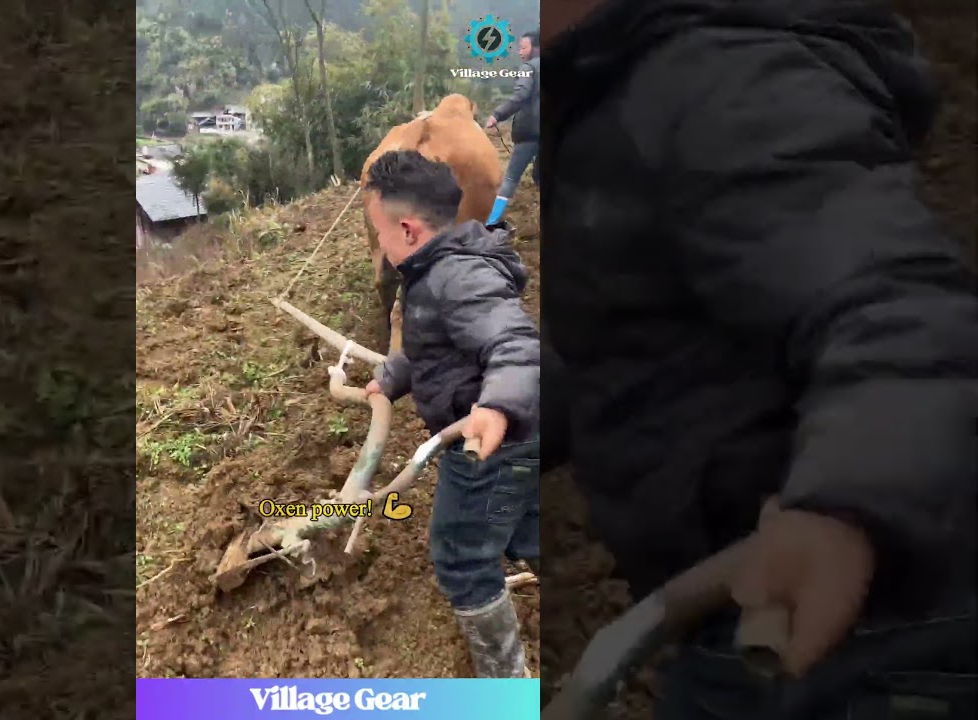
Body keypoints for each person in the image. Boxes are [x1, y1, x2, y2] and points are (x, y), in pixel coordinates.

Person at [540, 0, 978, 717]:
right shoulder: (617, 89)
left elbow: (901, 313)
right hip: (757, 611)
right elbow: (627, 338)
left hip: (850, 634)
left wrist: (844, 505)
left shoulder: (719, 86)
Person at [361, 149, 540, 678]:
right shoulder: (434, 270)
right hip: (524, 436)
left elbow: (515, 343)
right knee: (524, 528)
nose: (379, 244)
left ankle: (506, 686)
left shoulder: (456, 278)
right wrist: (391, 378)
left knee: (461, 555)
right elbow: (433, 346)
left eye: (379, 233)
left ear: (408, 230)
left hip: (487, 444)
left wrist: (496, 407)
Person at [483, 30, 540, 228]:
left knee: (510, 178)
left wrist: (497, 115)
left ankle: (491, 222)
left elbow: (520, 96)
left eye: (523, 47)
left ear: (536, 48)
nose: (520, 52)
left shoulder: (529, 68)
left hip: (530, 133)